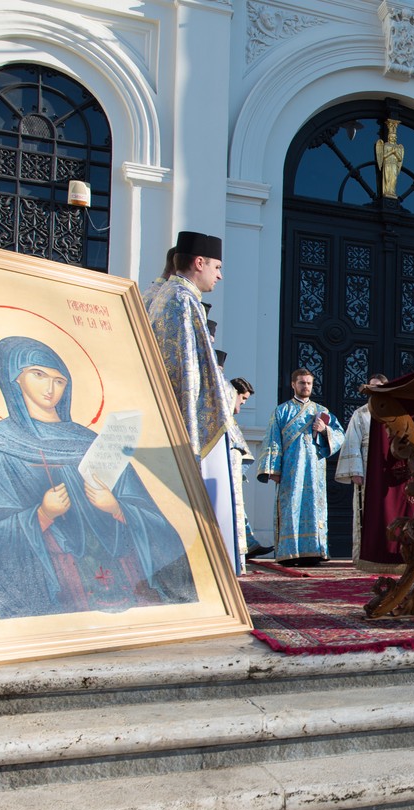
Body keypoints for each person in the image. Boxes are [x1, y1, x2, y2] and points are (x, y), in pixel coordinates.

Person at [0, 336, 195, 618]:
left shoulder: (92, 441)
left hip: (124, 570)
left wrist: (116, 508)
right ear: (13, 379)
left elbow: (154, 519)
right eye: (38, 375)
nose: (50, 388)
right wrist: (41, 515)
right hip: (60, 577)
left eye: (59, 380)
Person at [146, 230, 243, 571]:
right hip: (187, 420)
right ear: (198, 262)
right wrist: (228, 397)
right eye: (216, 266)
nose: (219, 274)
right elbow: (191, 371)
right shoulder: (182, 300)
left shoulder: (161, 293)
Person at [257, 368, 345, 566]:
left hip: (315, 470)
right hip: (290, 470)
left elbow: (340, 436)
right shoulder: (281, 411)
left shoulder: (321, 411)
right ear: (293, 385)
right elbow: (273, 440)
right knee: (291, 508)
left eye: (309, 383)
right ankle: (290, 553)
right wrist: (274, 469)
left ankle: (313, 552)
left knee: (314, 509)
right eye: (302, 383)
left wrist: (325, 431)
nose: (306, 386)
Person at [335, 373, 411, 572]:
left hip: (390, 470)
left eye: (380, 388)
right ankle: (364, 553)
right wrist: (355, 471)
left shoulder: (396, 412)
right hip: (368, 468)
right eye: (373, 388)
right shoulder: (361, 414)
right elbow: (352, 442)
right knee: (366, 510)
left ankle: (392, 551)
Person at [228, 377, 272, 561]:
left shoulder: (230, 419)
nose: (243, 403)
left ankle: (248, 544)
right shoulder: (222, 418)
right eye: (243, 399)